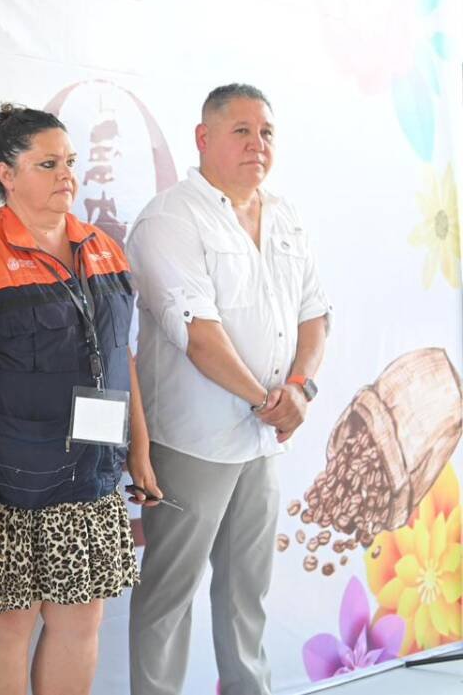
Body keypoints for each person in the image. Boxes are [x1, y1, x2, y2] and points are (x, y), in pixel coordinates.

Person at [0, 104, 158, 695]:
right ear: (6, 174)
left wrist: (139, 452)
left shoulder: (102, 246)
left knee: (81, 621)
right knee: (8, 623)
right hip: (8, 482)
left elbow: (120, 356)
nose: (67, 176)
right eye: (48, 164)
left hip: (91, 474)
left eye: (70, 162)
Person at [127, 84, 331, 695]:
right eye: (241, 130)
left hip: (263, 441)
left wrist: (301, 388)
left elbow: (315, 314)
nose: (257, 144)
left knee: (247, 591)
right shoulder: (169, 218)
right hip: (194, 441)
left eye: (266, 132)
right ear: (203, 137)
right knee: (169, 595)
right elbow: (198, 334)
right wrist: (269, 401)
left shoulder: (285, 215)